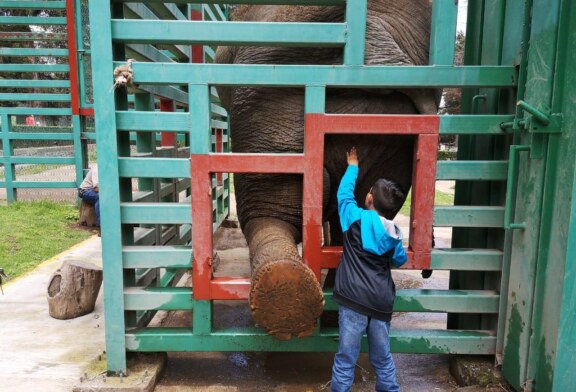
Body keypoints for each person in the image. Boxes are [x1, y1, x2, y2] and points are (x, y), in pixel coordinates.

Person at [331, 147, 407, 392]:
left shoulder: (354, 218)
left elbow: (343, 196)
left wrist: (353, 167)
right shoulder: (394, 234)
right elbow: (399, 260)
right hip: (381, 302)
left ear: (369, 199)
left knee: (346, 359)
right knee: (382, 358)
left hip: (353, 299)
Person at [79, 165, 100, 233]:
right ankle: (101, 226)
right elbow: (97, 188)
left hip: (99, 189)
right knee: (100, 197)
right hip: (86, 190)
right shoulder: (97, 168)